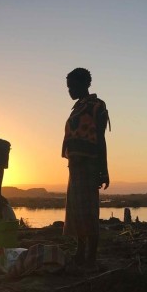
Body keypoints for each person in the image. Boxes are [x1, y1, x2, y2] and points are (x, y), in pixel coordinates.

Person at [61, 67, 110, 273]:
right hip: (75, 166)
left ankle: (90, 256)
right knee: (76, 211)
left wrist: (104, 169)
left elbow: (101, 139)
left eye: (73, 86)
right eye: (68, 87)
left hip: (89, 165)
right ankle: (80, 251)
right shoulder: (77, 108)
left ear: (85, 85)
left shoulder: (97, 106)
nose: (70, 90)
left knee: (89, 211)